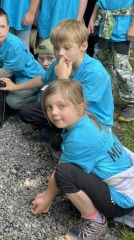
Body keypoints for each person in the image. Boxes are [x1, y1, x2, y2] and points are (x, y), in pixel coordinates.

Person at [31, 79, 134, 240]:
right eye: (49, 107)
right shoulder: (87, 119)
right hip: (127, 189)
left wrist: (46, 199)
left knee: (64, 173)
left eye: (61, 106)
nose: (54, 112)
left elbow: (61, 171)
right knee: (68, 171)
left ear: (80, 107)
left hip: (120, 201)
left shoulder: (80, 137)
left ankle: (95, 221)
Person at [1, 19, 114, 130]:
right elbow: (43, 79)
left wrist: (63, 79)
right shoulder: (59, 63)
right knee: (27, 111)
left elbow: (77, 106)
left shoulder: (94, 72)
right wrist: (16, 87)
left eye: (67, 48)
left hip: (92, 120)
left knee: (60, 111)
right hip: (67, 108)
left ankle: (64, 133)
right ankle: (59, 131)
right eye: (56, 47)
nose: (60, 53)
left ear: (83, 46)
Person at [88, 0, 134, 122]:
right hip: (104, 26)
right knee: (101, 63)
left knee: (121, 65)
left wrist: (133, 26)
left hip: (123, 27)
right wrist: (92, 20)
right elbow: (98, 0)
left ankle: (131, 101)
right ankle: (102, 98)